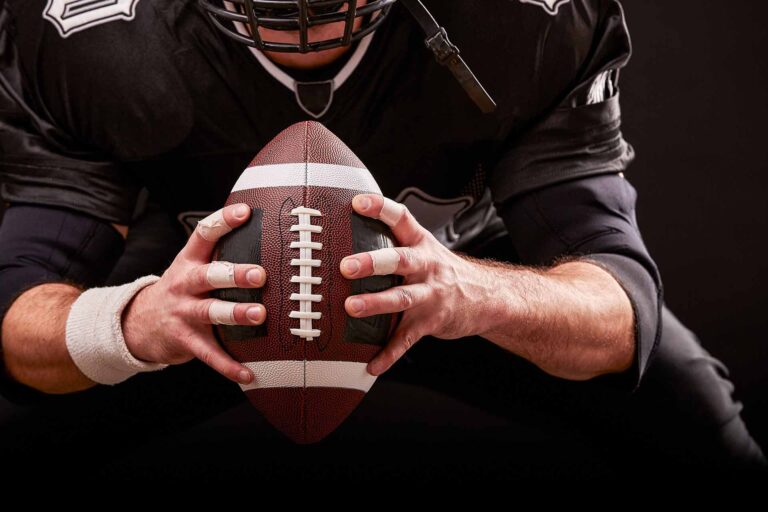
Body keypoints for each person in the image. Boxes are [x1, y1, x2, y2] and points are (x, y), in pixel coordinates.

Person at [0, 0, 763, 477]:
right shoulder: (89, 33)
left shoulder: (528, 17)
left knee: (693, 414)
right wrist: (132, 324)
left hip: (451, 269)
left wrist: (474, 292)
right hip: (208, 300)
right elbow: (21, 306)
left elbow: (620, 304)